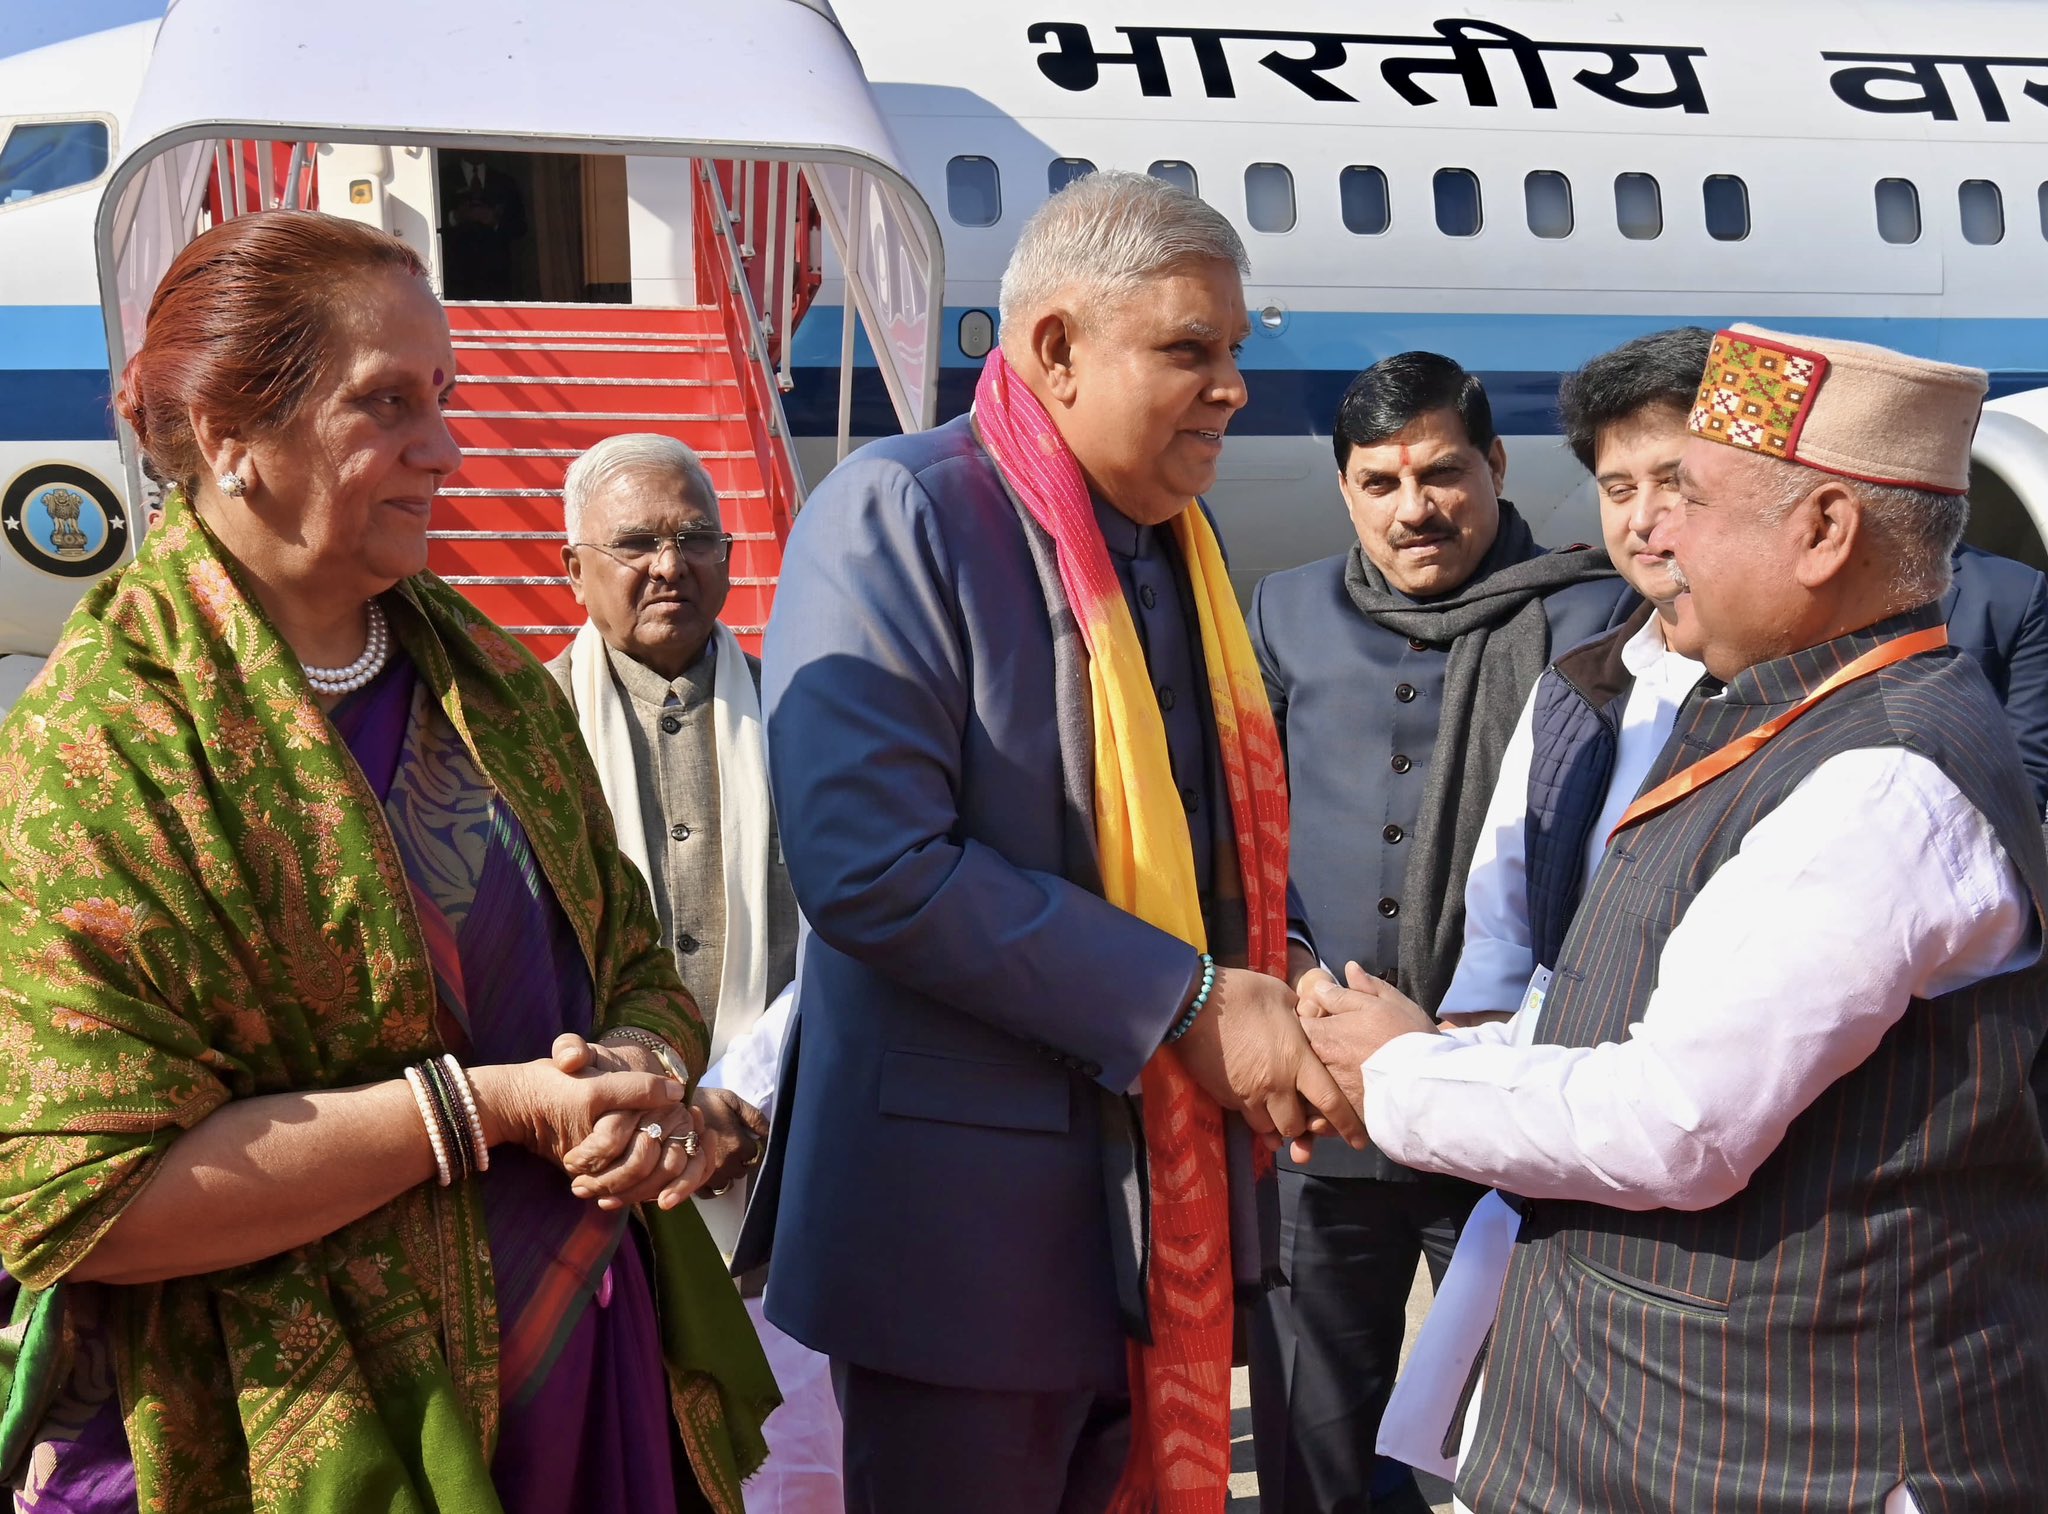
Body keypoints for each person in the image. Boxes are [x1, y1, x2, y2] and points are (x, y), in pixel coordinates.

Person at [0, 210, 776, 1512]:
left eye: (448, 396)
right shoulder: (99, 756)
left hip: (581, 1385)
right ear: (231, 435)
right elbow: (83, 1198)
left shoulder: (486, 687)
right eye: (388, 403)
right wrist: (487, 1110)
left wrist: (638, 1076)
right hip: (288, 1437)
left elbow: (631, 956)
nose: (447, 445)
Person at [1305, 325, 2048, 1513]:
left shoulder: (1879, 777)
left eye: (1690, 495)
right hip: (1683, 1433)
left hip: (1793, 1453)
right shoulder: (1780, 713)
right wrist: (1421, 1055)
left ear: (1822, 533)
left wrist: (1398, 1076)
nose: (1655, 533)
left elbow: (1676, 1121)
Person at [758, 169, 1364, 1514]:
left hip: (1165, 1216)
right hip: (963, 1243)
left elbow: (1222, 848)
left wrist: (1293, 981)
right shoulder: (904, 512)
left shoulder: (1177, 556)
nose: (1232, 388)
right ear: (1054, 349)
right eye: (1188, 350)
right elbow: (872, 864)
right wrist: (1188, 1004)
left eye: (1234, 353)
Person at [1244, 352, 1630, 1514]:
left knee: (1518, 1439)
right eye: (1378, 482)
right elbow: (1247, 828)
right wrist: (1296, 981)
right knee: (1314, 1439)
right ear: (1345, 489)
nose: (1412, 508)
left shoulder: (1597, 610)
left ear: (1495, 465)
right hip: (1320, 1112)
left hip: (1502, 1097)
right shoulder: (1285, 610)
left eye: (1440, 473)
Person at [545, 432, 836, 1512]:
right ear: (571, 568)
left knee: (784, 1453)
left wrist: (749, 1109)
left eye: (693, 538)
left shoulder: (807, 720)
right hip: (596, 1159)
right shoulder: (516, 743)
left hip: (779, 1156)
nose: (668, 564)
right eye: (634, 542)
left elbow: (852, 938)